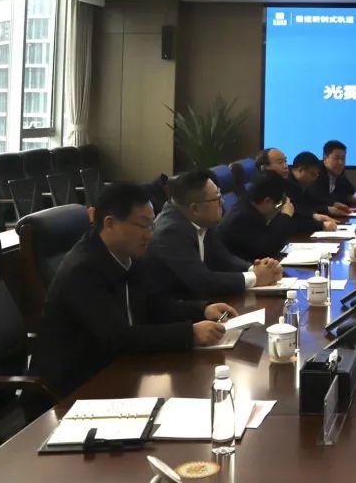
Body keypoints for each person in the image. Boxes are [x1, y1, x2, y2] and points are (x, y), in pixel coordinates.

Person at [28, 183, 239, 399]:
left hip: (124, 367)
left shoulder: (131, 256)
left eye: (152, 224)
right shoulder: (83, 270)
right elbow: (118, 337)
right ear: (110, 224)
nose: (150, 234)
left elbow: (156, 305)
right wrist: (190, 334)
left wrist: (203, 310)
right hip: (77, 386)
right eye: (144, 225)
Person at [147, 170, 282, 300]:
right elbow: (202, 281)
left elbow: (224, 259)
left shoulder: (201, 220)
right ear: (195, 209)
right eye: (217, 198)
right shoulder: (170, 233)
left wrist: (256, 268)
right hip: (180, 308)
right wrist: (255, 277)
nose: (222, 202)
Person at [219, 171, 295, 262]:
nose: (279, 208)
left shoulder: (249, 206)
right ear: (267, 201)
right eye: (278, 204)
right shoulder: (240, 219)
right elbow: (267, 249)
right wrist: (286, 216)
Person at [309, 140, 356, 214]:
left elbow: (350, 190)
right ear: (325, 158)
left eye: (343, 159)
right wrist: (351, 199)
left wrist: (353, 198)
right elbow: (321, 198)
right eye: (336, 158)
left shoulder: (337, 171)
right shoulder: (317, 172)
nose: (340, 162)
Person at [287, 151, 339, 233]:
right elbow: (294, 217)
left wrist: (315, 215)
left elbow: (311, 203)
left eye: (317, 175)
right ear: (300, 170)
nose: (315, 178)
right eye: (312, 174)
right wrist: (321, 225)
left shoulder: (302, 185)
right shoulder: (287, 185)